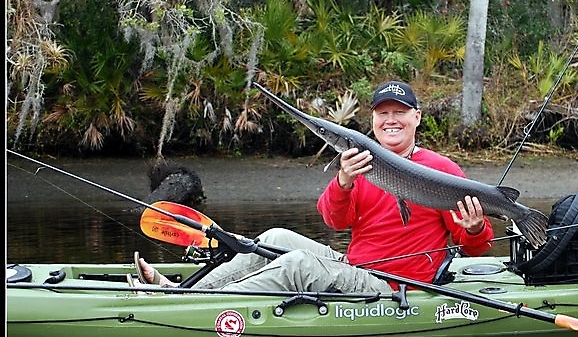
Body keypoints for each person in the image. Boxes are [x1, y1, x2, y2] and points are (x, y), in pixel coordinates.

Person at [132, 80, 495, 293]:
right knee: (275, 237)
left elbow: (476, 246)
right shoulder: (359, 162)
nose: (391, 120)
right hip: (356, 266)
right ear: (373, 119)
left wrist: (476, 227)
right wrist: (344, 181)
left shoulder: (441, 168)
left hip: (393, 285)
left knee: (297, 265)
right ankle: (184, 293)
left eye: (399, 112)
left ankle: (194, 309)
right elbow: (334, 222)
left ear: (416, 117)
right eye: (383, 113)